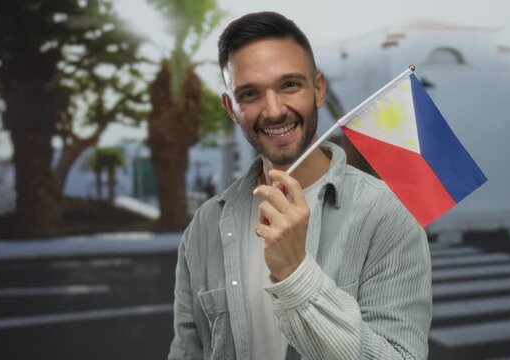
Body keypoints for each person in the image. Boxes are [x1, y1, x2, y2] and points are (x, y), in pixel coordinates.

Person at [169, 11, 432, 360]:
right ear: (231, 107)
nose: (274, 110)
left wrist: (295, 272)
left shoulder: (387, 215)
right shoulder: (203, 227)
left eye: (289, 85)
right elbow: (188, 353)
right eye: (250, 94)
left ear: (318, 89)